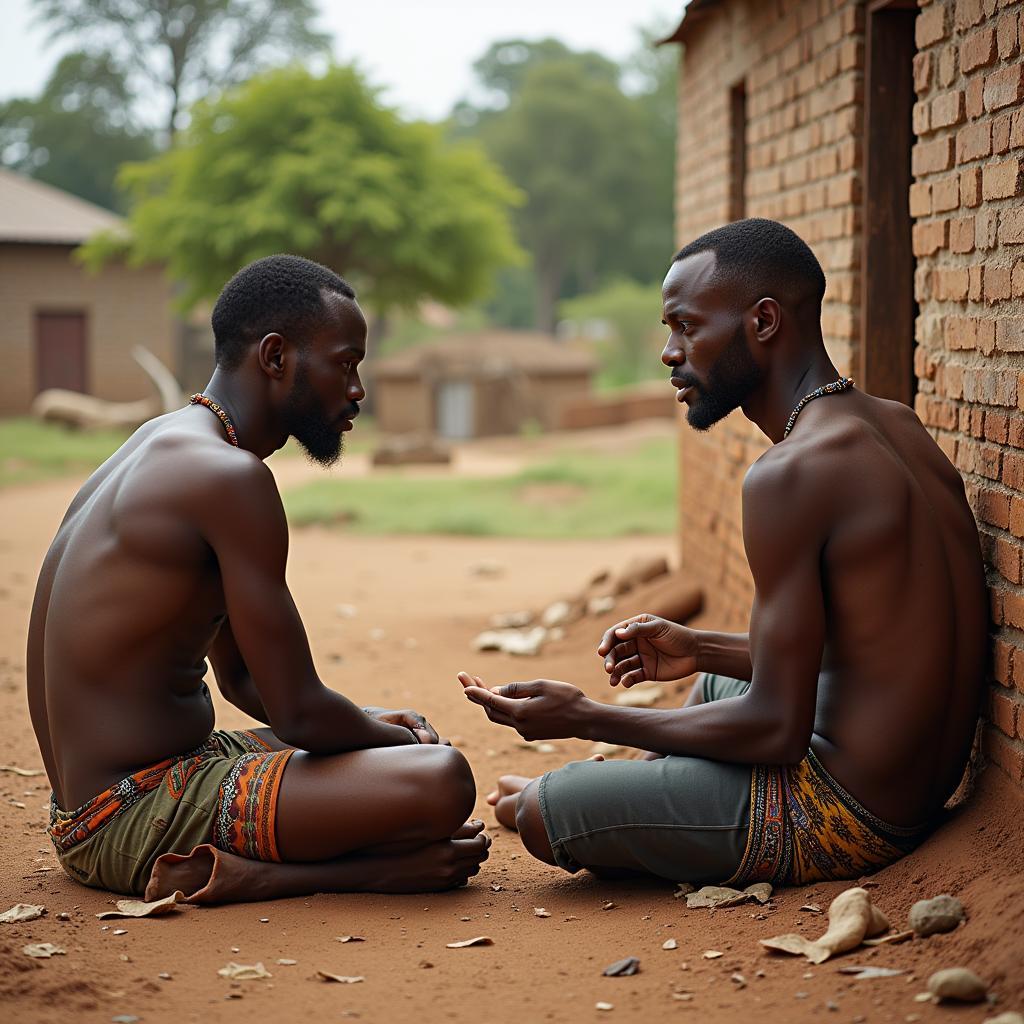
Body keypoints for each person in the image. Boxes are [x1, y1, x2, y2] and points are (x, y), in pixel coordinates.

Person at [461, 218, 987, 888]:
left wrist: (584, 717)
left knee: (543, 814)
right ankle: (643, 796)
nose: (668, 352)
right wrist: (700, 648)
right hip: (910, 782)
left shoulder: (789, 474)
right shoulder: (895, 425)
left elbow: (775, 730)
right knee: (713, 684)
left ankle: (593, 799)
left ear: (763, 322)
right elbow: (872, 644)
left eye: (685, 326)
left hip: (844, 814)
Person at [29, 254, 489, 903]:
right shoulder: (231, 479)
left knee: (384, 750)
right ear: (276, 357)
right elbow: (300, 712)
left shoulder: (164, 442)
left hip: (109, 797)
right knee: (438, 777)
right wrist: (384, 741)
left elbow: (244, 679)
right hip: (129, 817)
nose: (358, 390)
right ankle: (339, 874)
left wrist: (364, 723)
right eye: (345, 363)